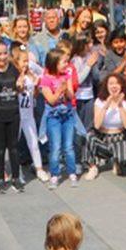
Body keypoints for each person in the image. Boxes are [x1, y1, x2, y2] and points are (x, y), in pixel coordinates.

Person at [40, 48, 79, 188]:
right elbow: (51, 100)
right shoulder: (45, 79)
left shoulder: (66, 76)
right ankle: (54, 174)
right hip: (53, 117)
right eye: (63, 62)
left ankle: (72, 172)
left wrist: (67, 89)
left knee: (68, 146)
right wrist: (59, 90)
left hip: (67, 114)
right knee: (55, 146)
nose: (66, 64)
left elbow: (71, 96)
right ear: (54, 63)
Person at [87, 72, 126, 176]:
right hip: (103, 136)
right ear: (106, 86)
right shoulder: (100, 101)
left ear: (121, 86)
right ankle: (93, 167)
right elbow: (97, 125)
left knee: (123, 160)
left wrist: (120, 105)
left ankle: (116, 162)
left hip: (118, 136)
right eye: (111, 84)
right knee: (89, 136)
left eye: (117, 83)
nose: (114, 86)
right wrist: (106, 105)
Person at [12, 45, 46, 182]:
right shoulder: (15, 76)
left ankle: (39, 168)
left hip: (28, 114)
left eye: (27, 61)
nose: (26, 64)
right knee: (14, 143)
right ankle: (16, 171)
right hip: (16, 115)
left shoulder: (30, 75)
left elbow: (34, 94)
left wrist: (36, 85)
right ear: (16, 62)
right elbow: (15, 92)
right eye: (23, 61)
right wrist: (18, 85)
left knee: (33, 141)